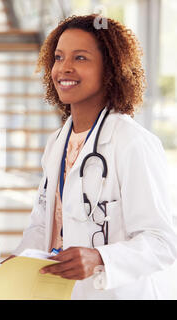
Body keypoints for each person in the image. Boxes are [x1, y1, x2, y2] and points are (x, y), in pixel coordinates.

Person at [11, 15, 177, 299]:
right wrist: (15, 265)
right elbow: (43, 226)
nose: (64, 68)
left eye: (81, 58)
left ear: (110, 69)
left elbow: (163, 242)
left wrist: (100, 258)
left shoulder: (132, 142)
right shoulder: (57, 143)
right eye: (59, 57)